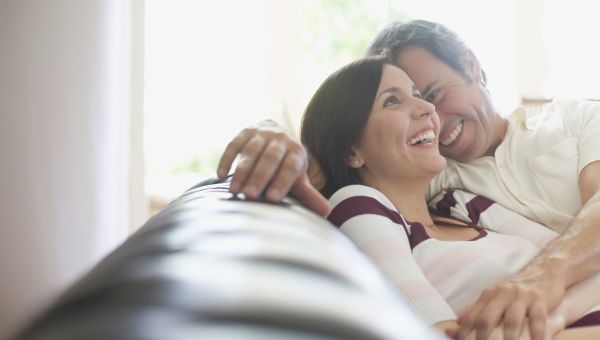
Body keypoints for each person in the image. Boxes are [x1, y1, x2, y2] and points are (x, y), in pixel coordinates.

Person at [216, 20, 600, 340]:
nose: (430, 111)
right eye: (394, 100)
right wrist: (267, 131)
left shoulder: (573, 120)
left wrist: (543, 283)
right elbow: (329, 160)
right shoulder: (427, 183)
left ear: (469, 65)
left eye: (428, 93)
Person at [300, 53, 600, 338]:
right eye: (391, 101)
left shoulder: (460, 203)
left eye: (419, 94)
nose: (427, 109)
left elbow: (589, 272)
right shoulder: (359, 205)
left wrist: (555, 318)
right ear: (352, 151)